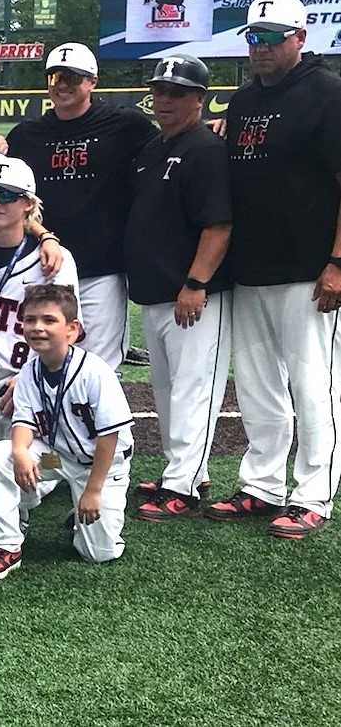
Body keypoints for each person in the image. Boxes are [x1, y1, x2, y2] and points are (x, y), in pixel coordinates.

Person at [209, 0, 341, 539]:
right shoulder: (242, 101)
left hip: (308, 268)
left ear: (300, 38)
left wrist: (337, 261)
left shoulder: (328, 93)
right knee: (259, 384)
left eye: (271, 37)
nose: (259, 47)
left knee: (315, 384)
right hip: (251, 265)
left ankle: (314, 493)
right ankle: (262, 484)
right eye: (253, 37)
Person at [126, 54, 232, 522]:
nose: (165, 99)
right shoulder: (153, 148)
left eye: (178, 92)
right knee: (168, 389)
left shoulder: (206, 149)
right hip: (156, 291)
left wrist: (196, 282)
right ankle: (188, 471)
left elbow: (219, 225)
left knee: (193, 389)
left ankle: (183, 485)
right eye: (161, 91)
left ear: (199, 100)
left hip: (193, 295)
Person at [6, 42, 157, 369]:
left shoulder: (126, 126)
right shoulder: (27, 135)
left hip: (101, 267)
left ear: (92, 81)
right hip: (43, 265)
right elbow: (11, 193)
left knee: (97, 366)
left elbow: (172, 147)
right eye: (54, 76)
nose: (61, 85)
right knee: (39, 361)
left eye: (72, 77)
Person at [0, 284, 133, 578]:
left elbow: (108, 437)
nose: (38, 327)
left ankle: (82, 509)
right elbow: (23, 421)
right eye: (31, 319)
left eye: (49, 320)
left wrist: (93, 490)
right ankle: (7, 545)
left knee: (98, 554)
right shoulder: (29, 371)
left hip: (98, 466)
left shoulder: (95, 372)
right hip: (57, 459)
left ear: (72, 329)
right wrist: (21, 452)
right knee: (1, 456)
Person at [0, 157, 77, 476]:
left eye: (7, 195)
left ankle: (63, 470)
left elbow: (67, 334)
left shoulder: (54, 262)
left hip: (19, 378)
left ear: (27, 203)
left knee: (33, 475)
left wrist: (30, 377)